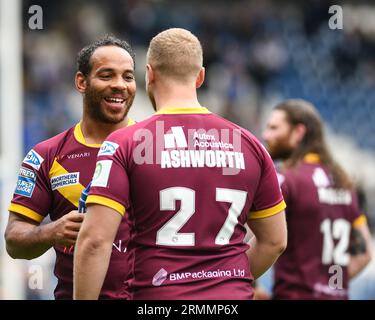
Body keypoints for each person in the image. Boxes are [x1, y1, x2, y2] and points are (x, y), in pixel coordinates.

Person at [73, 28, 287, 300]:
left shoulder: (124, 143)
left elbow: (94, 242)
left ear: (149, 74)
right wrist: (227, 284)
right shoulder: (251, 145)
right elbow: (275, 241)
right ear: (200, 77)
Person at [5, 35, 137, 299]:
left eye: (128, 76)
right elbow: (14, 241)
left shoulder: (155, 149)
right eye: (107, 75)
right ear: (81, 82)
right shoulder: (46, 155)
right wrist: (52, 232)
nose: (119, 85)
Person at [262, 99, 373, 299]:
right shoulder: (343, 182)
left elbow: (261, 239)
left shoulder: (287, 179)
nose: (266, 135)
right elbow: (364, 254)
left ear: (298, 132)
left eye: (274, 128)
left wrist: (249, 282)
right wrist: (328, 286)